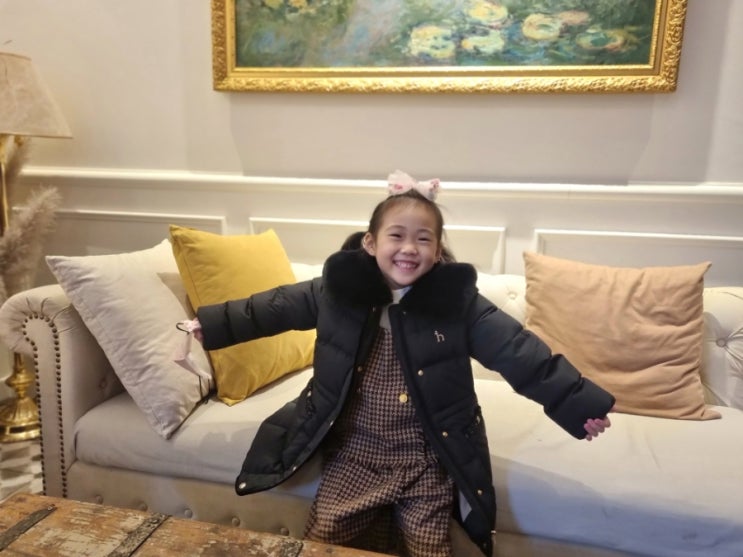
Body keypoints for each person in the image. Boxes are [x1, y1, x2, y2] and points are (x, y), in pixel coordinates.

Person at [187, 170, 615, 557]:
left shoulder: (458, 304)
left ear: (438, 251)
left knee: (428, 547)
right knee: (324, 538)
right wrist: (213, 325)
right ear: (370, 243)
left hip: (425, 458)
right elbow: (275, 307)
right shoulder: (338, 292)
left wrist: (577, 404)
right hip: (354, 453)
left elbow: (519, 353)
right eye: (396, 236)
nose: (409, 249)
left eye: (423, 239)